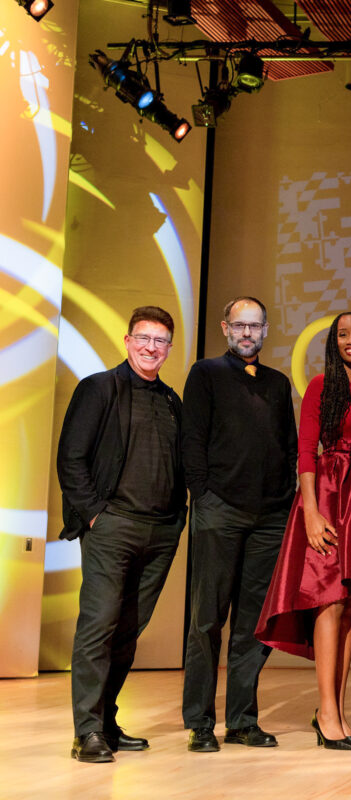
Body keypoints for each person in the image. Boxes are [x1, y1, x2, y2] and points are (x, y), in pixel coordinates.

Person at [256, 312, 351, 750]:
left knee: (350, 603)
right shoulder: (321, 385)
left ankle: (336, 710)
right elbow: (306, 450)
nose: (350, 340)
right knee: (328, 599)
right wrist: (311, 512)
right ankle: (326, 713)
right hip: (331, 495)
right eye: (342, 334)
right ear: (333, 343)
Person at [58, 306, 187, 763]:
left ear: (169, 348)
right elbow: (71, 458)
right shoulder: (98, 388)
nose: (152, 347)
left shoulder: (172, 399)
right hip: (113, 527)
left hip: (162, 530)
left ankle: (107, 722)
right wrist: (95, 516)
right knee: (98, 627)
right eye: (144, 338)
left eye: (161, 341)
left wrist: (179, 517)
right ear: (128, 340)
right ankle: (86, 732)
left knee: (129, 631)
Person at [181, 297, 297, 753]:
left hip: (269, 517)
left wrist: (285, 501)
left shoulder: (277, 383)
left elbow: (288, 447)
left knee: (253, 625)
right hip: (220, 510)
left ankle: (243, 720)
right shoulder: (205, 374)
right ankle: (200, 723)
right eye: (239, 326)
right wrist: (203, 495)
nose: (247, 334)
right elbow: (192, 440)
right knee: (207, 620)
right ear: (226, 328)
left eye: (255, 326)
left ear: (266, 329)